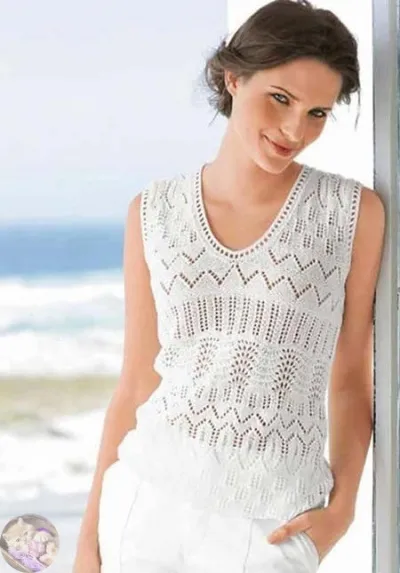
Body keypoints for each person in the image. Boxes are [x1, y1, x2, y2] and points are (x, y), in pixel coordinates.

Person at [73, 1, 386, 571]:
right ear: (233, 78)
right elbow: (137, 379)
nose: (295, 130)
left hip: (270, 523)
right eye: (281, 99)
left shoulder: (350, 214)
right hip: (144, 502)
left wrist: (341, 510)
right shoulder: (153, 212)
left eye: (317, 113)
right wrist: (88, 538)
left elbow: (350, 377)